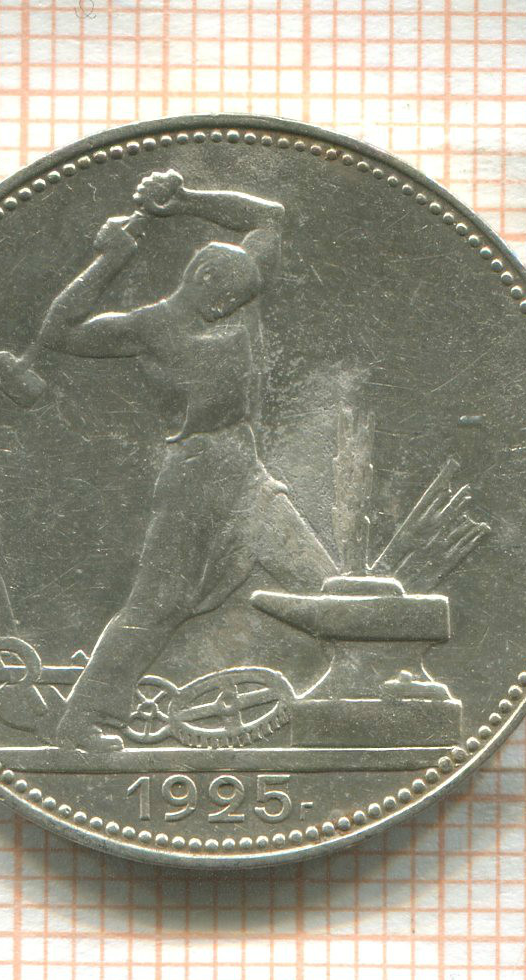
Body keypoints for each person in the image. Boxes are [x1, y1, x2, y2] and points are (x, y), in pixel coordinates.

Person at [26, 169, 336, 750]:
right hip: (193, 479)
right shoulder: (151, 327)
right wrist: (109, 260)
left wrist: (186, 200)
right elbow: (58, 331)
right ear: (203, 279)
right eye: (227, 298)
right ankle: (80, 721)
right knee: (156, 605)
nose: (235, 308)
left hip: (246, 474)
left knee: (327, 586)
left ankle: (355, 697)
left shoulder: (239, 297)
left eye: (241, 300)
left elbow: (269, 215)